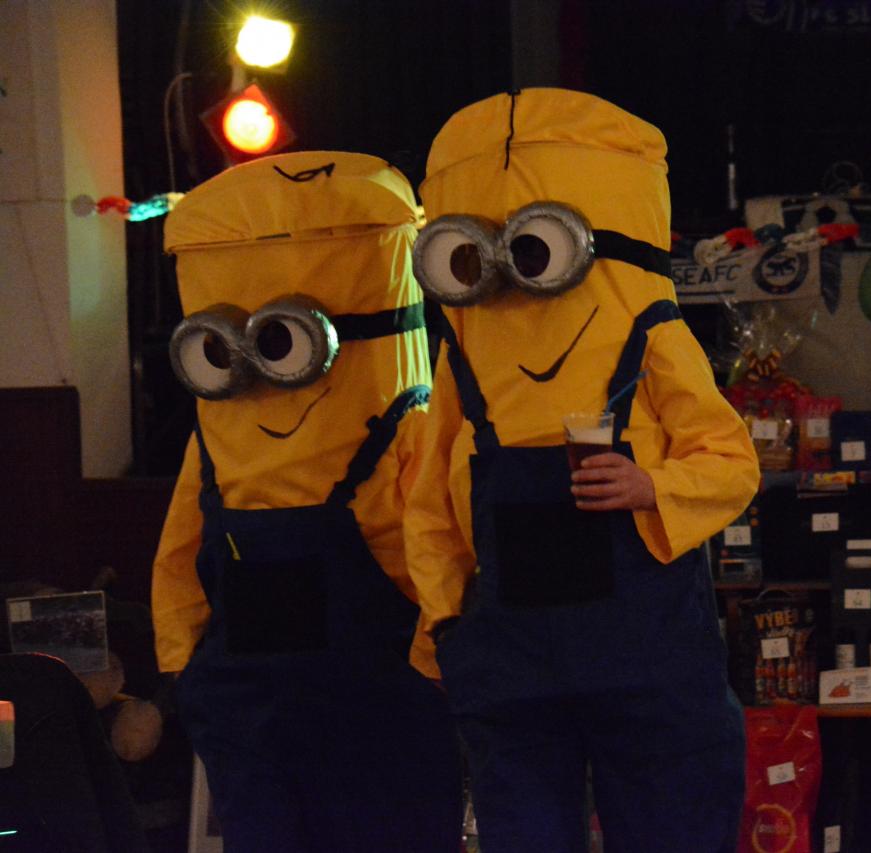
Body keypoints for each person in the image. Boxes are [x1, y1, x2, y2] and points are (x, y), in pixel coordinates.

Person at [409, 87, 760, 852]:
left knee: (673, 825)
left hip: (645, 656)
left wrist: (653, 486)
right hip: (513, 666)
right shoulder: (461, 357)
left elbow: (732, 460)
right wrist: (442, 623)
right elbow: (430, 500)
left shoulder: (653, 332)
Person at [151, 151, 462, 852]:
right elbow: (179, 557)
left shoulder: (408, 427)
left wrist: (432, 667)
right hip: (257, 724)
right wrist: (189, 673)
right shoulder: (217, 441)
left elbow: (441, 546)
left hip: (377, 718)